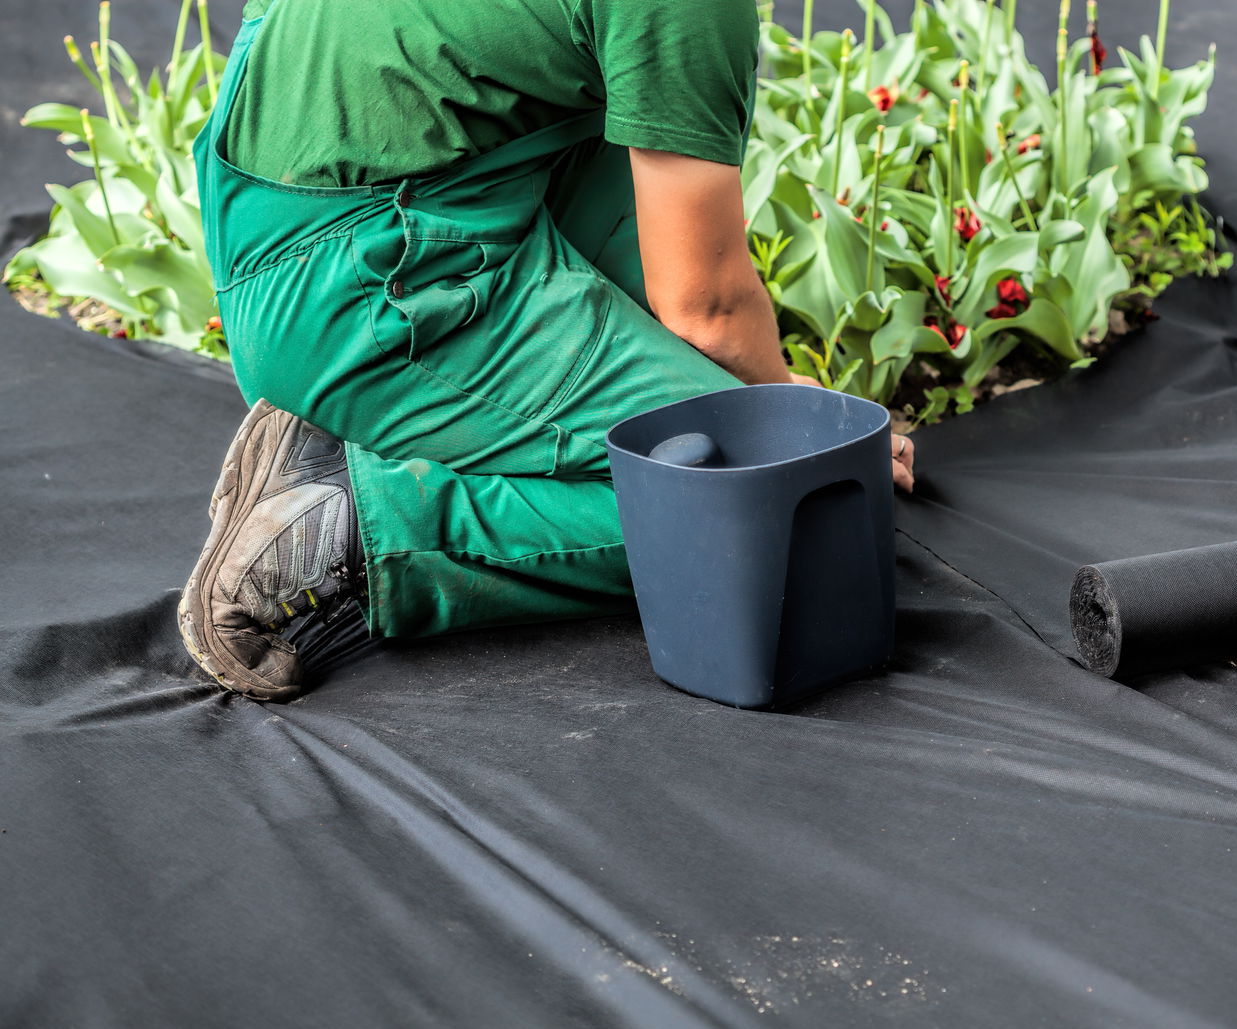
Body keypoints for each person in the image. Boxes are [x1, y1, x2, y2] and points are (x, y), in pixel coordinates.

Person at [177, 0, 917, 701]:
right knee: (788, 523)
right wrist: (793, 427)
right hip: (367, 289)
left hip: (310, 198)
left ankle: (424, 418)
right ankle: (362, 520)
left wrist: (723, 380)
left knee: (610, 91)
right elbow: (709, 308)